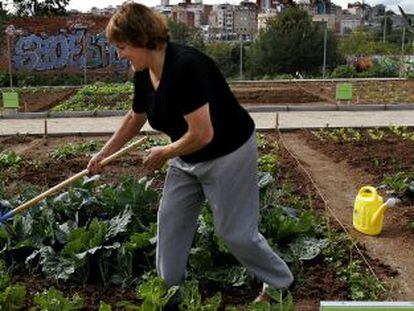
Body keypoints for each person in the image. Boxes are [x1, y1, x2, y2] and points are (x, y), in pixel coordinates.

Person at [87, 1, 293, 304]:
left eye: (122, 47)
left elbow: (203, 133)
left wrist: (165, 152)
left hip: (227, 152)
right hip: (186, 157)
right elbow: (136, 117)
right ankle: (170, 295)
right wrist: (102, 155)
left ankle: (279, 282)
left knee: (234, 233)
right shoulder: (143, 72)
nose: (120, 55)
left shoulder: (186, 66)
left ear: (142, 39)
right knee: (170, 223)